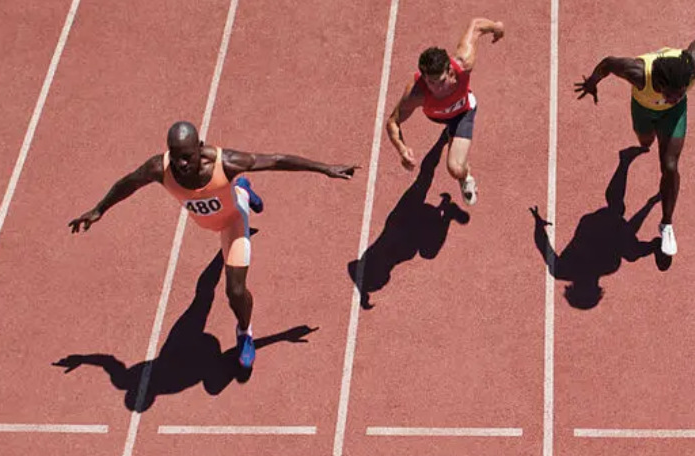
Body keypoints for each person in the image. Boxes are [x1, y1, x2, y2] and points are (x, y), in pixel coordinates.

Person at [69, 121, 357, 369]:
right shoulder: (159, 168)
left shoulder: (226, 163)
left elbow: (277, 160)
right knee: (202, 297)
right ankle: (243, 190)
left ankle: (245, 332)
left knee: (234, 291)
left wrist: (326, 169)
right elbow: (128, 184)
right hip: (207, 221)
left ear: (200, 147)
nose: (181, 164)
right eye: (176, 157)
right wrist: (98, 210)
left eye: (187, 157)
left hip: (233, 221)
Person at [575, 41, 695, 256]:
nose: (676, 98)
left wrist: (676, 101)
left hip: (674, 115)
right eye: (671, 95)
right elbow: (608, 63)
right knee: (645, 142)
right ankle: (625, 160)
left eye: (681, 93)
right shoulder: (638, 73)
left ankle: (666, 224)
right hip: (643, 110)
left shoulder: (690, 68)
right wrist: (592, 82)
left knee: (669, 166)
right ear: (660, 83)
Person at [386, 18, 505, 206]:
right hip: (437, 116)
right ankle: (449, 135)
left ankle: (466, 177)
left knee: (455, 169)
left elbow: (476, 26)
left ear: (449, 70)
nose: (435, 88)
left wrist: (496, 27)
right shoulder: (416, 93)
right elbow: (393, 121)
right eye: (429, 82)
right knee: (445, 139)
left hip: (463, 113)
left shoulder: (463, 64)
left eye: (440, 81)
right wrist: (401, 149)